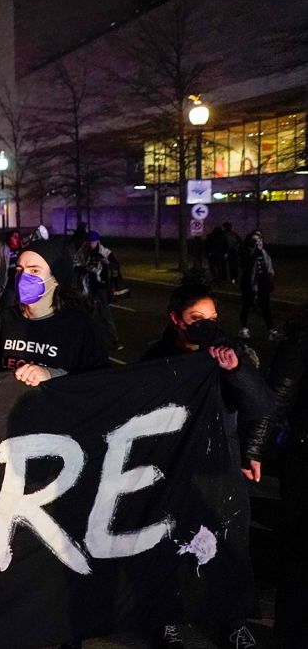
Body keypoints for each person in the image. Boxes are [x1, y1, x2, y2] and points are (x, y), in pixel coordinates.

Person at [140, 276, 274, 649]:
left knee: (231, 546)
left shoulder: (228, 354)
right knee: (170, 544)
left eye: (212, 316)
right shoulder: (155, 358)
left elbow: (261, 406)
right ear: (177, 320)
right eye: (196, 316)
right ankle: (167, 620)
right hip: (172, 468)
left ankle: (232, 624)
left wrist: (235, 370)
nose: (206, 323)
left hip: (220, 469)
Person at [0, 239, 108, 385]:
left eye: (34, 270)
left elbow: (97, 382)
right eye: (19, 270)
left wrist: (52, 374)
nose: (23, 277)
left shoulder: (78, 325)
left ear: (56, 279)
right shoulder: (6, 319)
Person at [263, 304, 308, 647]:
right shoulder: (302, 342)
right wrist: (254, 449)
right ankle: (290, 635)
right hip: (305, 458)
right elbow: (275, 399)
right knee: (300, 552)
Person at [75, 231, 122, 351]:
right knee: (86, 314)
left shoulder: (104, 252)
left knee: (105, 314)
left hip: (101, 287)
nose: (91, 244)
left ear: (97, 241)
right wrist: (83, 269)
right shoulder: (83, 252)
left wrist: (106, 264)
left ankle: (115, 340)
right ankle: (86, 340)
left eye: (93, 241)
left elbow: (115, 264)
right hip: (88, 287)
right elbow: (75, 264)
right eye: (89, 241)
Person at [238, 230, 277, 340]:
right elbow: (244, 266)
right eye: (255, 240)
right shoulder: (245, 252)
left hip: (262, 283)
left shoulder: (264, 252)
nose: (258, 241)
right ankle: (244, 329)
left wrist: (270, 278)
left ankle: (271, 331)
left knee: (266, 307)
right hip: (248, 283)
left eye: (259, 239)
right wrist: (254, 252)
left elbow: (268, 267)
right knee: (246, 305)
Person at [0, 229, 21, 309]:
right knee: (8, 309)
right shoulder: (2, 251)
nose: (17, 238)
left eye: (18, 236)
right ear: (9, 239)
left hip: (22, 285)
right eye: (14, 237)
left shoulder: (23, 250)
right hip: (9, 285)